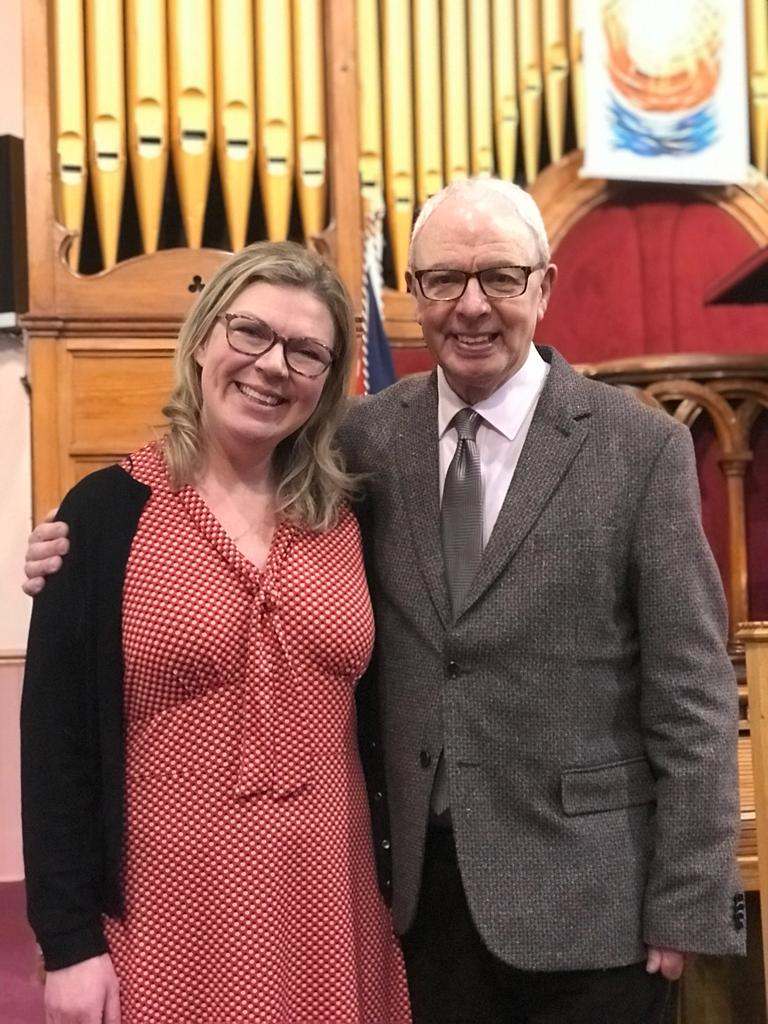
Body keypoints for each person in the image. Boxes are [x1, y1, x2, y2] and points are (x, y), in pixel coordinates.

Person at [25, 179, 745, 1024]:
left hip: (589, 905)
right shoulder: (363, 445)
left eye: (502, 278)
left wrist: (690, 899)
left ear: (543, 287)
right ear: (413, 291)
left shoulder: (640, 447)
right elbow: (69, 727)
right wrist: (64, 555)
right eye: (443, 279)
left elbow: (691, 695)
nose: (471, 305)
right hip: (412, 902)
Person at [20, 241, 411, 1024]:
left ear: (328, 384)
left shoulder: (351, 517)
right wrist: (67, 941)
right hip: (171, 912)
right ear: (203, 339)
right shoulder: (103, 516)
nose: (274, 365)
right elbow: (56, 745)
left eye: (307, 352)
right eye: (251, 333)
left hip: (332, 902)